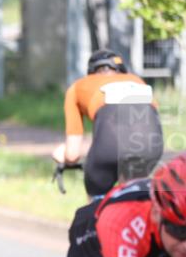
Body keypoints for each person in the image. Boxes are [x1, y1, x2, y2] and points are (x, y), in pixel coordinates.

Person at [53, 49, 164, 198]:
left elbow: (73, 154)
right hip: (150, 142)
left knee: (97, 197)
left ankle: (97, 215)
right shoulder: (135, 80)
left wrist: (63, 155)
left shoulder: (78, 86)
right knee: (135, 193)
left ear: (91, 71)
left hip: (109, 141)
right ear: (121, 70)